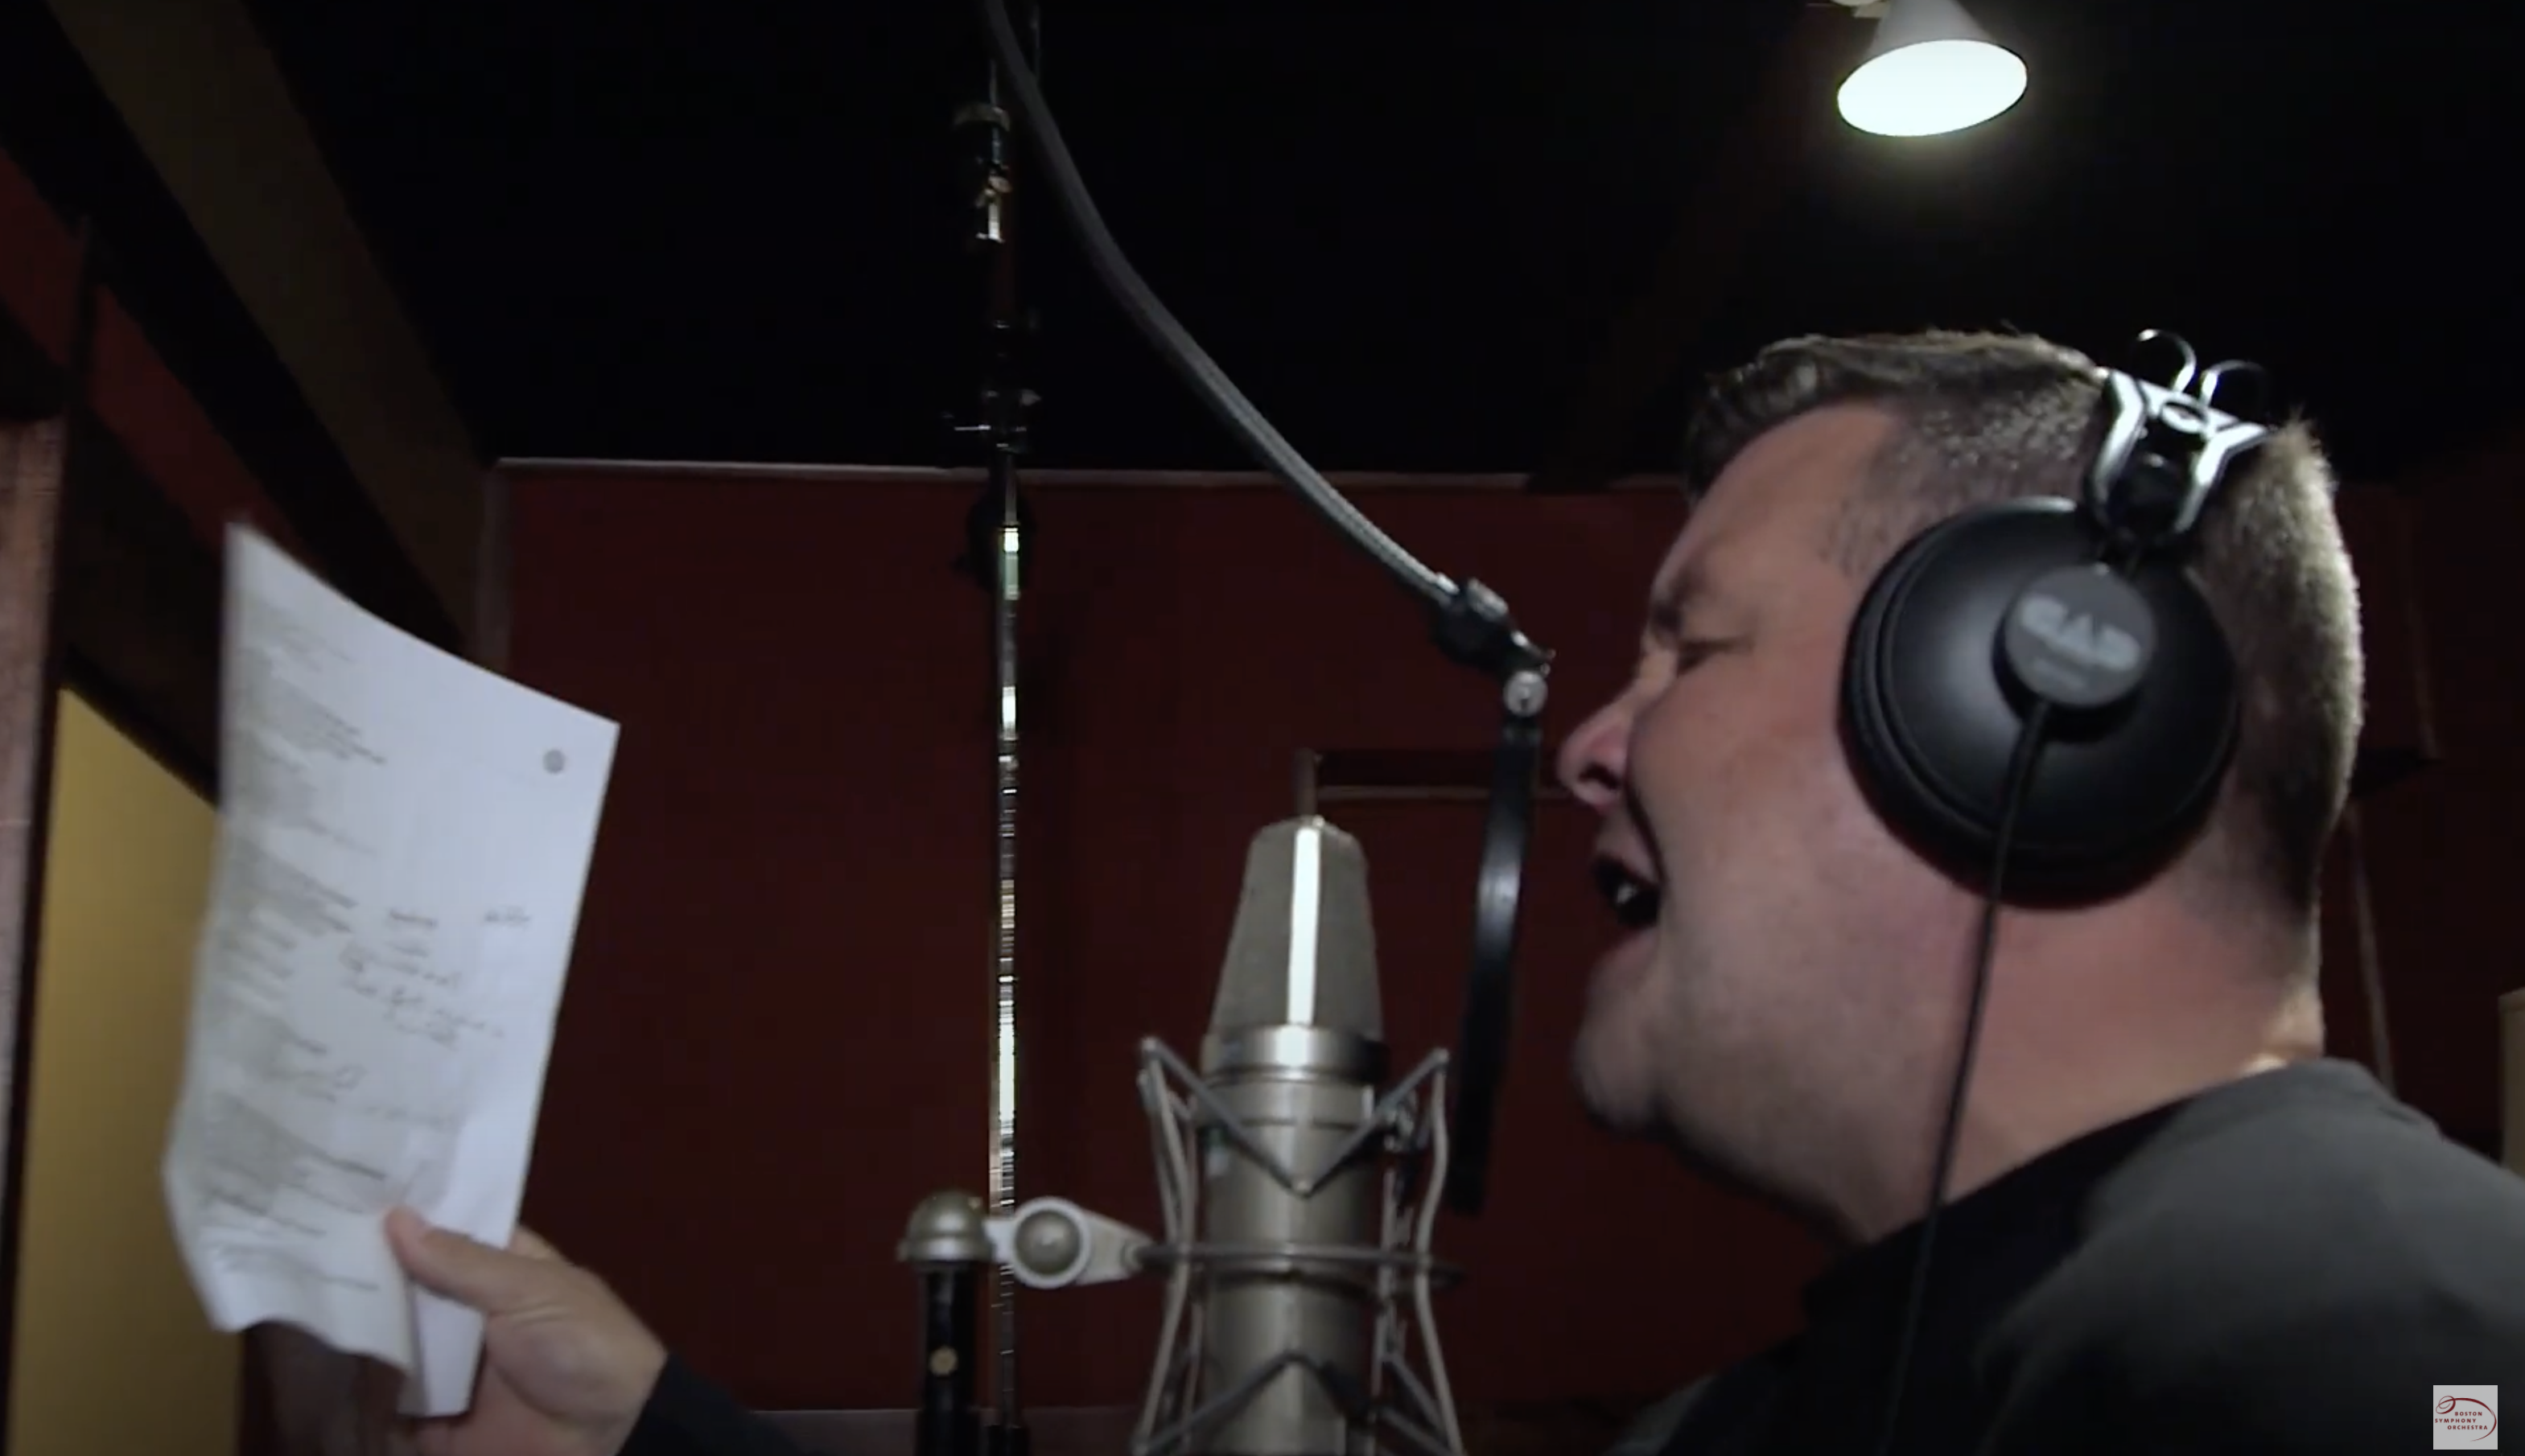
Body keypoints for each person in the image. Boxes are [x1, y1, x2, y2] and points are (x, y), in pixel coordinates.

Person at [381, 330, 2525, 1456]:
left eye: (1691, 644)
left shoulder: (2381, 1346)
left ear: (2022, 696)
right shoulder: (1814, 1405)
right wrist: (650, 1434)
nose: (1596, 735)